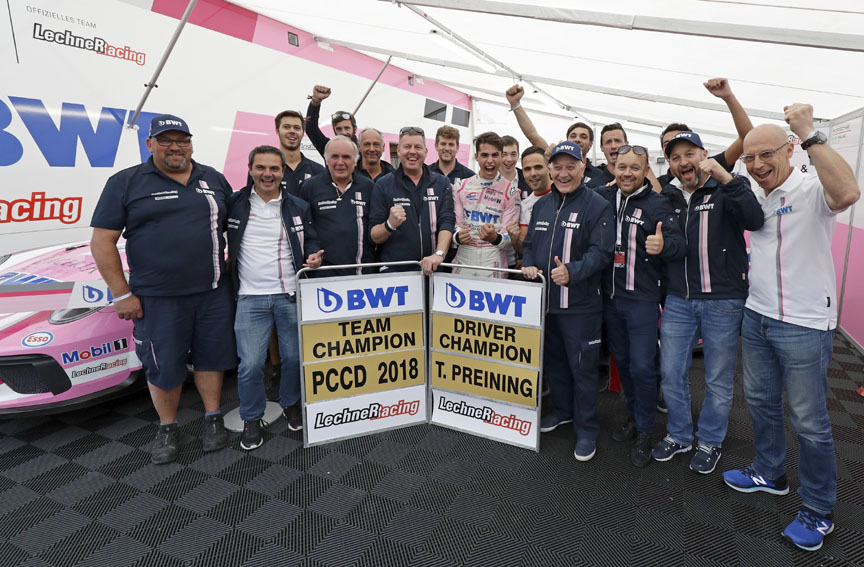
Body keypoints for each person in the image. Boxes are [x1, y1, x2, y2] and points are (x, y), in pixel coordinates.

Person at [723, 105, 859, 551]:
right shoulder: (754, 194)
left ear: (790, 150)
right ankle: (770, 471)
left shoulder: (811, 187)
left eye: (767, 155)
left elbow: (848, 194)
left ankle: (818, 510)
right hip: (758, 315)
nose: (758, 164)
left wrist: (811, 132)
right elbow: (750, 151)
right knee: (761, 402)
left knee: (810, 420)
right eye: (750, 158)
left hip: (804, 323)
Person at [90, 114, 235, 464]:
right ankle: (168, 426)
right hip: (158, 299)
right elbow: (102, 241)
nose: (175, 147)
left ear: (191, 143)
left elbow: (235, 223)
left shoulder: (212, 178)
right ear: (150, 143)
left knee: (210, 359)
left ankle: (213, 417)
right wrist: (122, 294)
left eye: (182, 140)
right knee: (163, 365)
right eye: (166, 140)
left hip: (213, 291)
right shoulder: (126, 182)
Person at [652, 131, 764, 474]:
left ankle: (710, 441)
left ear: (703, 154)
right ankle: (680, 435)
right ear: (669, 164)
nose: (684, 162)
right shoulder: (667, 196)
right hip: (678, 300)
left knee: (717, 378)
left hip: (723, 300)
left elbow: (754, 220)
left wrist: (727, 178)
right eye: (675, 157)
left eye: (690, 154)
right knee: (671, 373)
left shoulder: (727, 186)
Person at [522, 141, 614, 462]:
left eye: (570, 166)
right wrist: (528, 262)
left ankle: (587, 428)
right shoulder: (542, 206)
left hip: (581, 306)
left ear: (583, 167)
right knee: (556, 364)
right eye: (557, 167)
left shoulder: (599, 205)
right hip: (547, 304)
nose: (563, 173)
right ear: (550, 169)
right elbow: (531, 242)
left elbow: (601, 253)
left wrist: (572, 272)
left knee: (583, 369)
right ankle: (563, 410)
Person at [227, 146, 324, 449]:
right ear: (250, 168)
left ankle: (291, 404)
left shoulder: (297, 205)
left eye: (274, 168)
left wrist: (313, 256)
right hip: (249, 297)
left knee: (294, 358)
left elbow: (312, 239)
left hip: (290, 295)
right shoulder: (234, 203)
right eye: (261, 168)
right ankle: (252, 418)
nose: (267, 174)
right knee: (251, 365)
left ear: (283, 171)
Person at [595, 145, 685, 467]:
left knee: (644, 367)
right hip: (610, 299)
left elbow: (679, 245)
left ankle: (647, 429)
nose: (627, 173)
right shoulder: (603, 198)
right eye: (622, 167)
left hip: (643, 300)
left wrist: (664, 245)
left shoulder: (659, 203)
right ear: (613, 169)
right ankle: (634, 417)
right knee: (623, 364)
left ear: (646, 169)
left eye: (635, 168)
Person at [369, 127, 455, 275]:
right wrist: (389, 224)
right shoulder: (383, 184)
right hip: (395, 272)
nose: (412, 152)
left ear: (426, 152)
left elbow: (447, 221)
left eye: (418, 147)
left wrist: (439, 254)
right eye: (407, 147)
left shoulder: (441, 182)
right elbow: (374, 236)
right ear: (399, 150)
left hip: (432, 270)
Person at [300, 136, 375, 276]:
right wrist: (311, 253)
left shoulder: (368, 187)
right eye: (334, 157)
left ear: (355, 160)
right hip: (323, 275)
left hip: (363, 274)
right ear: (326, 160)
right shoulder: (310, 187)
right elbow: (305, 230)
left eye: (346, 157)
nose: (340, 162)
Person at [657, 78, 753, 186]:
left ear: (704, 153)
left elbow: (748, 137)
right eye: (668, 144)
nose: (683, 162)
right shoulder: (660, 184)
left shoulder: (712, 167)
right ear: (665, 153)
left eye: (688, 153)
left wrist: (728, 97)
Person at [504, 84, 606, 187]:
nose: (577, 139)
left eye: (583, 136)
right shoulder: (553, 158)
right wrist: (516, 105)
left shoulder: (599, 175)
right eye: (573, 136)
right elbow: (533, 136)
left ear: (590, 144)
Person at [451, 132, 521, 278]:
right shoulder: (460, 187)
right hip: (465, 256)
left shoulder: (511, 192)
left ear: (501, 156)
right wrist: (458, 236)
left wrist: (494, 237)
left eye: (495, 155)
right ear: (476, 157)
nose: (490, 161)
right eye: (484, 155)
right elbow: (453, 226)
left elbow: (509, 238)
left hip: (493, 258)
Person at [254, 109, 324, 197]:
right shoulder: (261, 170)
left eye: (297, 128)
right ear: (277, 130)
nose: (292, 131)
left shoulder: (319, 171)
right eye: (286, 127)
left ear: (303, 133)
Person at [304, 85, 358, 158]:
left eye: (347, 128)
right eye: (339, 129)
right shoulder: (328, 148)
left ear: (355, 129)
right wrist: (315, 101)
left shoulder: (365, 150)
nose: (343, 132)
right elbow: (311, 129)